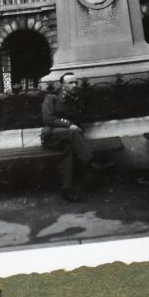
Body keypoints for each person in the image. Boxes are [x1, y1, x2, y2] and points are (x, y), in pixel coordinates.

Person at [40, 72, 96, 202]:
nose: (75, 85)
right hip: (51, 136)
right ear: (62, 85)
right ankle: (90, 162)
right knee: (72, 132)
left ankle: (67, 190)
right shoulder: (51, 98)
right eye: (70, 83)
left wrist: (76, 103)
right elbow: (48, 119)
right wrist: (69, 125)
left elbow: (80, 120)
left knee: (68, 151)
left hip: (69, 138)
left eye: (76, 82)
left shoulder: (76, 100)